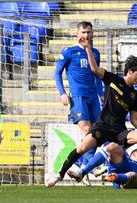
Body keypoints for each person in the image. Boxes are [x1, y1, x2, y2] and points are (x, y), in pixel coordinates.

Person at [45, 37, 137, 187]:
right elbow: (94, 69)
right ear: (130, 72)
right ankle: (59, 176)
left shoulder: (135, 96)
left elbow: (135, 120)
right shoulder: (112, 79)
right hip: (102, 126)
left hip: (119, 131)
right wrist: (87, 48)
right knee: (80, 149)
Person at [54, 21, 104, 185]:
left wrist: (101, 94)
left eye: (89, 32)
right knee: (86, 129)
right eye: (83, 32)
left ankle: (81, 166)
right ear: (77, 34)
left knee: (95, 133)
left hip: (93, 97)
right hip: (78, 96)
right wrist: (62, 93)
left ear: (93, 34)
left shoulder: (95, 53)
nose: (86, 35)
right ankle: (93, 167)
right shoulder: (69, 52)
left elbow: (97, 76)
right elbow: (57, 73)